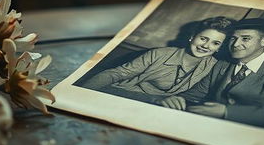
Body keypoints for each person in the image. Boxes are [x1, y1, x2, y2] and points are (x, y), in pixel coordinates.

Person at [159, 17, 264, 130]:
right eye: (233, 38)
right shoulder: (222, 64)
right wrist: (175, 99)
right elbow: (194, 94)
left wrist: (226, 112)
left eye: (246, 39)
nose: (236, 44)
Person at [80, 16, 235, 99]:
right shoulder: (159, 54)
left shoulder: (214, 66)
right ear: (192, 37)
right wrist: (81, 94)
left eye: (215, 43)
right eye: (203, 38)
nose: (206, 46)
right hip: (119, 95)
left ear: (220, 47)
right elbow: (115, 74)